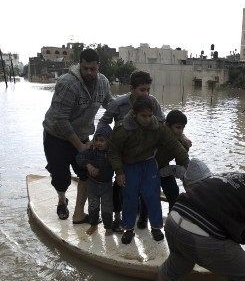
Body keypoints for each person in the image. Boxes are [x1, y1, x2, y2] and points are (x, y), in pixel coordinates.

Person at [42, 48, 112, 222]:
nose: (89, 72)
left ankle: (78, 214)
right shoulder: (68, 83)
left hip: (82, 135)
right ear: (80, 65)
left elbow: (110, 105)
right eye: (85, 68)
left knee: (87, 173)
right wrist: (80, 147)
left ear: (98, 67)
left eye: (92, 69)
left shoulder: (103, 83)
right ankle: (61, 201)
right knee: (61, 177)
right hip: (56, 136)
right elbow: (60, 119)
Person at [108, 96, 189, 245]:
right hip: (130, 165)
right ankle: (128, 229)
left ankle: (156, 227)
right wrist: (119, 172)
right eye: (143, 116)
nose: (147, 119)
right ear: (134, 114)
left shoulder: (158, 126)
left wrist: (189, 167)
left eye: (150, 115)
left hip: (149, 164)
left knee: (153, 196)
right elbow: (113, 151)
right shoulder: (122, 129)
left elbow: (175, 146)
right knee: (130, 197)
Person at [98, 70, 165, 231]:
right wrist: (103, 140)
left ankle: (143, 217)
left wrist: (180, 138)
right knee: (119, 184)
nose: (146, 93)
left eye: (148, 89)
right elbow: (103, 122)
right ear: (131, 88)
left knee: (146, 187)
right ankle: (117, 217)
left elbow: (162, 123)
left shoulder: (152, 102)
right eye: (142, 90)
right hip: (123, 153)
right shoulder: (118, 103)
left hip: (145, 153)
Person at [75, 124, 115, 236]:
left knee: (107, 208)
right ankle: (93, 225)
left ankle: (108, 227)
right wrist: (88, 165)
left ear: (109, 141)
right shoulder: (91, 151)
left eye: (102, 140)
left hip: (107, 185)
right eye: (96, 140)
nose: (98, 143)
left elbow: (119, 164)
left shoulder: (112, 153)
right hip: (92, 185)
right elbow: (79, 157)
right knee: (93, 206)